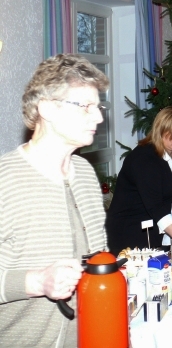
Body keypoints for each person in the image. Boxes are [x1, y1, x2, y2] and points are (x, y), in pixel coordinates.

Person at [0, 54, 108, 347]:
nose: (98, 117)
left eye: (98, 107)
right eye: (86, 106)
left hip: (92, 334)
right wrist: (37, 282)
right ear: (46, 108)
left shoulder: (85, 172)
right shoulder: (5, 180)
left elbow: (100, 258)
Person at [106, 107, 172, 255]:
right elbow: (156, 206)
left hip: (152, 229)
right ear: (160, 130)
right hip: (130, 233)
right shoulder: (144, 158)